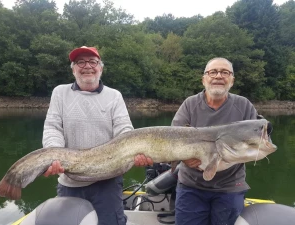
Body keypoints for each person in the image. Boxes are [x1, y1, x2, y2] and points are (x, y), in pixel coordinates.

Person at [42, 46, 152, 225]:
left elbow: (124, 129)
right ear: (73, 68)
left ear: (100, 67)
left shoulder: (114, 96)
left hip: (108, 181)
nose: (87, 66)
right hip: (70, 181)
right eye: (80, 62)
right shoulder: (59, 93)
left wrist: (135, 150)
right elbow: (53, 128)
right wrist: (54, 154)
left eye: (92, 62)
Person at [172, 57, 259, 225]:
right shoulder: (190, 105)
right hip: (191, 185)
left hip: (230, 187)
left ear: (232, 80)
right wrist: (184, 158)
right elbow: (174, 140)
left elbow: (257, 140)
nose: (218, 76)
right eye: (213, 72)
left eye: (225, 72)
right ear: (204, 79)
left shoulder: (244, 105)